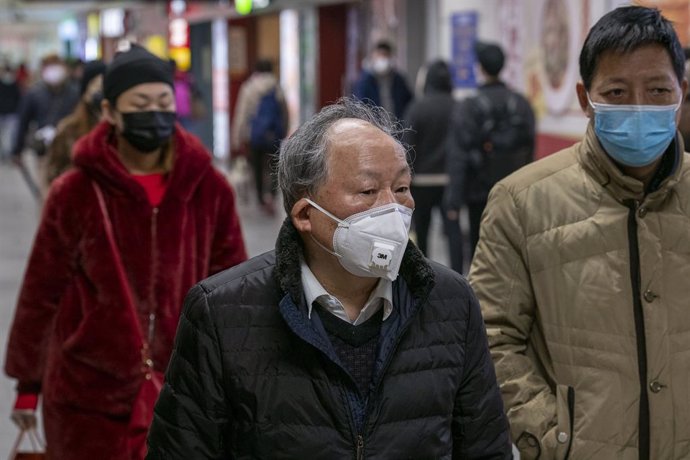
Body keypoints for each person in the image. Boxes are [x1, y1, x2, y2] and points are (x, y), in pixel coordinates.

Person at [147, 97, 512, 459]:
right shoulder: (222, 314)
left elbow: (485, 447)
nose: (393, 208)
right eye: (368, 191)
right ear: (306, 214)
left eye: (401, 189)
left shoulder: (451, 303)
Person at [4, 43, 248, 460]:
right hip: (87, 392)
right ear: (110, 112)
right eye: (139, 103)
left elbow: (236, 288)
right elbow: (42, 292)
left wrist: (242, 376)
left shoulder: (208, 188)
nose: (153, 113)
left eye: (163, 101)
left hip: (184, 389)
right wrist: (28, 386)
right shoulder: (75, 192)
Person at [470, 6, 690, 459]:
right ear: (585, 98)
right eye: (616, 91)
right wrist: (552, 437)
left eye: (657, 90)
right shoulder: (521, 202)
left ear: (681, 92)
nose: (638, 107)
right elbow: (491, 334)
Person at [445, 41, 535, 260]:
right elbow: (530, 150)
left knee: (481, 250)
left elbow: (460, 156)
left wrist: (453, 199)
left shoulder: (470, 106)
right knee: (514, 248)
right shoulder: (521, 104)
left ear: (481, 69)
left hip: (479, 193)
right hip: (517, 190)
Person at [403, 60, 464, 273]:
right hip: (450, 180)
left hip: (422, 181)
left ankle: (424, 273)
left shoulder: (417, 108)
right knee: (453, 230)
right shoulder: (458, 107)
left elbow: (408, 145)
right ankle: (458, 275)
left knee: (423, 229)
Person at [231, 58, 288, 215]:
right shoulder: (277, 87)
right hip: (274, 133)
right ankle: (271, 194)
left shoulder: (249, 87)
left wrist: (237, 137)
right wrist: (285, 130)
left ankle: (260, 198)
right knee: (274, 164)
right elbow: (284, 112)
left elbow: (241, 113)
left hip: (254, 133)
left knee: (256, 165)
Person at [44, 59, 105, 186]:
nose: (102, 92)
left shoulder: (119, 129)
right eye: (97, 85)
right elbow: (53, 173)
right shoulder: (69, 130)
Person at [11, 54, 80, 161]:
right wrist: (17, 150)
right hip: (43, 150)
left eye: (56, 65)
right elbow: (23, 122)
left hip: (69, 148)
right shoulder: (34, 93)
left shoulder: (74, 92)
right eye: (49, 66)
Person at [353, 40, 413, 120]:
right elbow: (359, 105)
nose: (382, 58)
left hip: (396, 126)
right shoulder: (365, 81)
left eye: (385, 55)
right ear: (373, 57)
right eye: (379, 55)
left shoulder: (399, 80)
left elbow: (409, 102)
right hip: (374, 125)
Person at [0, 63, 22, 163]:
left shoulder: (15, 84)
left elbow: (19, 98)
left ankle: (9, 153)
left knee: (10, 135)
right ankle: (3, 153)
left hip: (12, 113)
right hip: (3, 112)